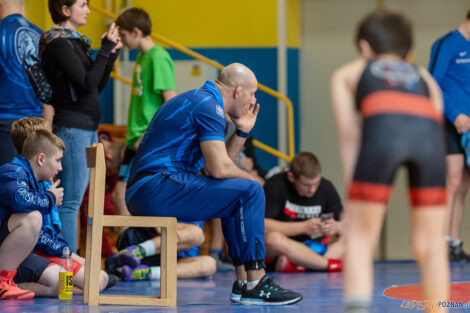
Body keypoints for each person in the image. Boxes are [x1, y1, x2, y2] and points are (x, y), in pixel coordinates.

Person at [125, 63, 302, 305]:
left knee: (236, 194)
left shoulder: (202, 100)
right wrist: (253, 180)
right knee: (250, 190)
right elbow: (220, 169)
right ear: (238, 91)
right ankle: (257, 282)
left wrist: (241, 132)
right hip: (154, 186)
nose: (253, 101)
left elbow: (216, 169)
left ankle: (243, 284)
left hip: (150, 187)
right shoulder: (210, 106)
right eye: (252, 93)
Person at [331, 9, 449, 313]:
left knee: (359, 238)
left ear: (364, 47)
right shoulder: (423, 75)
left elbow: (349, 133)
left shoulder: (350, 72)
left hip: (382, 136)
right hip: (430, 144)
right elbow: (436, 123)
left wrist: (351, 190)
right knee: (432, 244)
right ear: (408, 52)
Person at [39, 0, 122, 252]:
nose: (88, 10)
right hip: (72, 128)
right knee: (70, 202)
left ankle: (69, 264)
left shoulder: (76, 43)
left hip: (85, 128)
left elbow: (94, 89)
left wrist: (110, 56)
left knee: (74, 199)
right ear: (65, 10)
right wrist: (105, 50)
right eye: (83, 5)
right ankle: (68, 267)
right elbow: (86, 84)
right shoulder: (59, 44)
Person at [9, 118, 114, 292]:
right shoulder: (19, 179)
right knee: (94, 282)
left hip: (46, 253)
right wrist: (71, 256)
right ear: (39, 152)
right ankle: (17, 285)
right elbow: (40, 237)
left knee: (98, 279)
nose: (60, 167)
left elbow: (52, 231)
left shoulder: (44, 182)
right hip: (32, 255)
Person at [113, 7, 177, 219]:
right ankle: (131, 248)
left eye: (123, 34)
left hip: (146, 139)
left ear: (137, 31)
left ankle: (134, 249)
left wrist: (149, 135)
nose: (121, 40)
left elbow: (172, 103)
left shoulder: (158, 58)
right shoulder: (142, 58)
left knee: (125, 194)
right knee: (121, 194)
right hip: (135, 139)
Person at [428, 10, 470, 262]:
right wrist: (454, 114)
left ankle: (454, 242)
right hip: (449, 123)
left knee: (464, 184)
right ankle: (440, 243)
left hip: (469, 128)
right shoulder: (447, 43)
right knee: (452, 182)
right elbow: (433, 84)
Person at [264, 152, 343, 273]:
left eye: (316, 183)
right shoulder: (275, 185)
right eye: (306, 185)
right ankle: (326, 265)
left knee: (350, 235)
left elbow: (346, 224)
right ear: (291, 177)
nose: (312, 190)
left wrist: (335, 226)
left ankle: (300, 264)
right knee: (273, 239)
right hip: (284, 246)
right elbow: (262, 225)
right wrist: (303, 227)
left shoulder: (326, 187)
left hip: (309, 246)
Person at [0, 0, 46, 166]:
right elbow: (47, 89)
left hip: (6, 121)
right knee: (30, 185)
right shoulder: (41, 35)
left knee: (8, 186)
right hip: (36, 123)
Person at [108, 221, 217, 280]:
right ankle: (135, 252)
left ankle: (143, 273)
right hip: (146, 239)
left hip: (171, 257)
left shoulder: (201, 203)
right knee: (197, 234)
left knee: (209, 265)